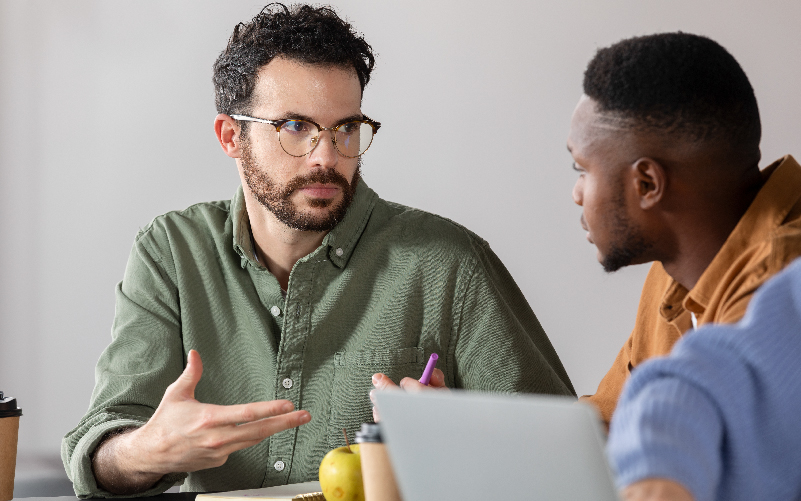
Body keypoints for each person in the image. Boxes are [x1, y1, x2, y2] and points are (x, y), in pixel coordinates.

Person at [61, 4, 574, 497]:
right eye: (295, 127)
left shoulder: (450, 263)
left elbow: (565, 460)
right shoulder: (171, 251)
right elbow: (101, 448)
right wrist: (146, 450)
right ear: (230, 137)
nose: (326, 157)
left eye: (346, 128)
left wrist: (464, 447)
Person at [567, 32, 801, 426]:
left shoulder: (780, 290)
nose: (577, 194)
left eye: (582, 170)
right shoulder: (679, 264)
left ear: (647, 185)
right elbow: (606, 422)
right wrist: (456, 422)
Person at [607, 257, 801, 501]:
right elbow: (709, 382)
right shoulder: (666, 282)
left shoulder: (772, 263)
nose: (582, 220)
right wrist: (659, 471)